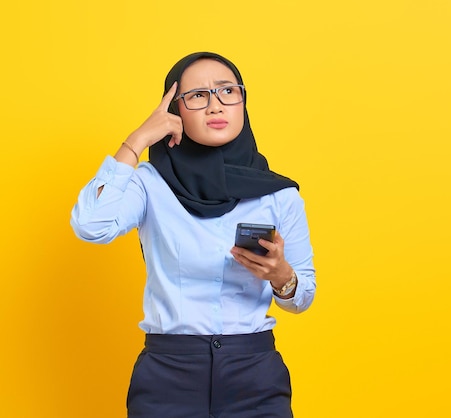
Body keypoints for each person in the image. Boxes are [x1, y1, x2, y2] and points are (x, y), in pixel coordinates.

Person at [70, 51, 316, 418]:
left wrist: (282, 277)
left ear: (243, 101)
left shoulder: (279, 195)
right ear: (174, 110)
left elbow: (302, 298)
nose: (215, 106)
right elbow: (91, 225)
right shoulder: (150, 184)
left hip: (255, 375)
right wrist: (136, 141)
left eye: (226, 91)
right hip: (168, 375)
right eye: (197, 96)